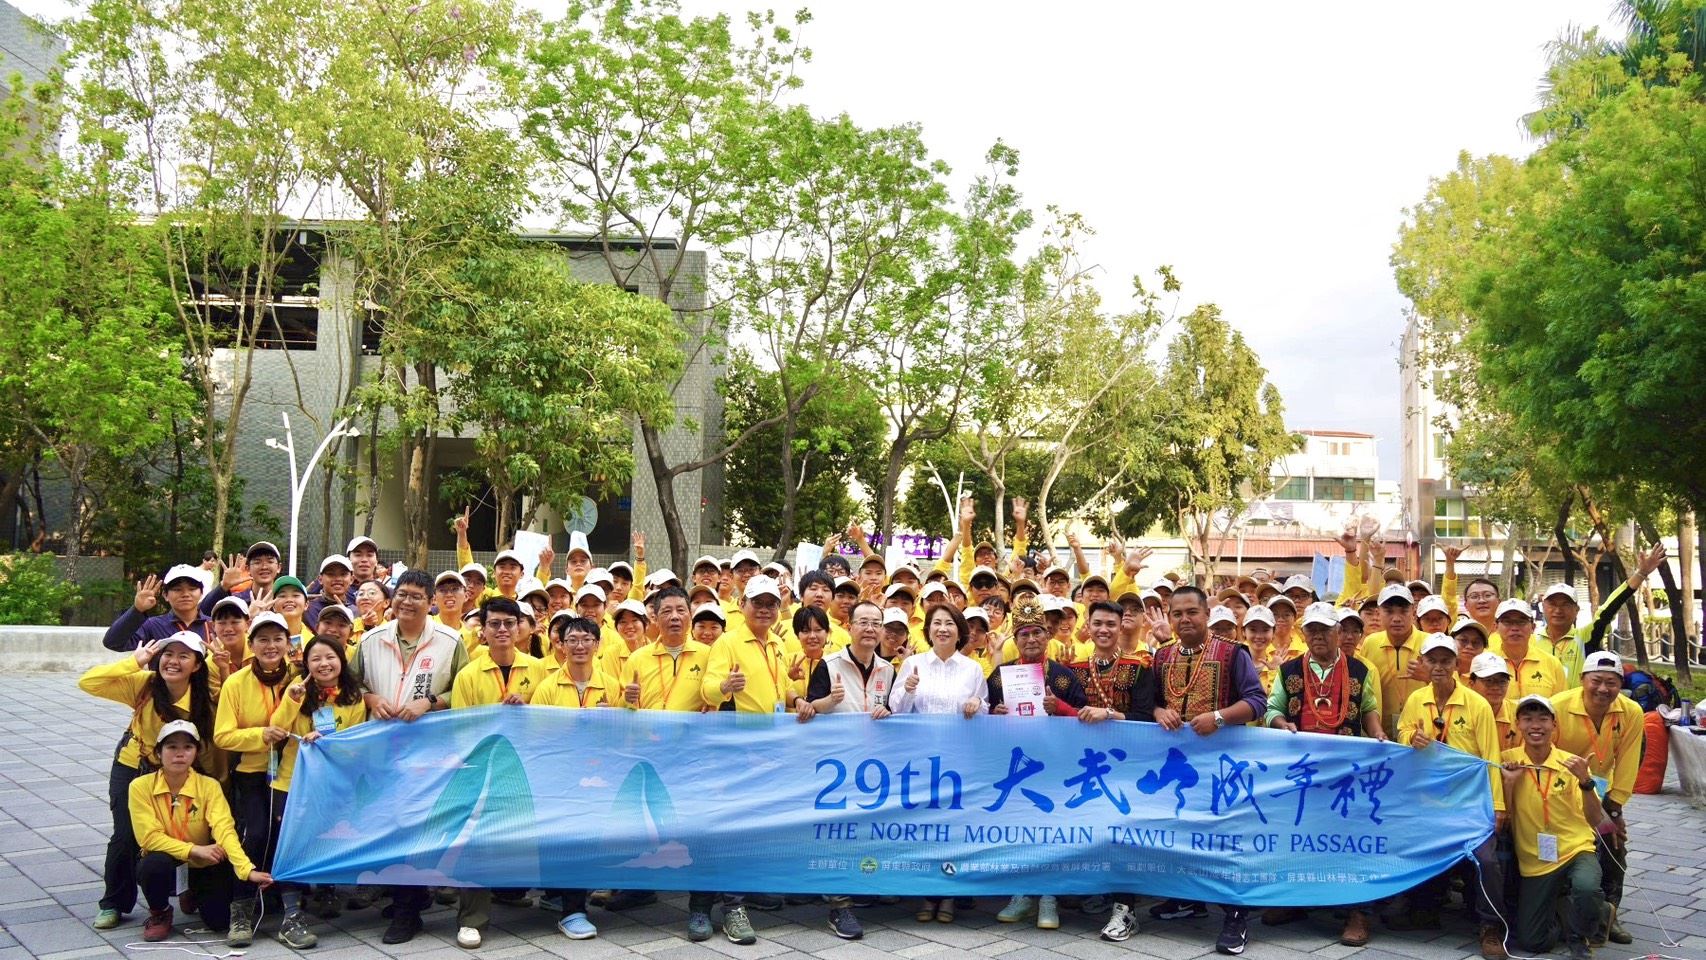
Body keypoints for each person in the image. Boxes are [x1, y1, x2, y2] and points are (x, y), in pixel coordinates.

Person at [347, 569, 469, 945]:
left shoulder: (450, 641)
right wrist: (371, 698)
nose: (407, 601)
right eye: (402, 594)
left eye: (417, 596)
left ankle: (407, 911)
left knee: (416, 826)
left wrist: (430, 702)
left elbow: (466, 690)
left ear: (430, 602)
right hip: (382, 751)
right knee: (389, 824)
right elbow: (350, 683)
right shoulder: (371, 640)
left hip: (429, 752)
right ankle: (409, 899)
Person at [1147, 585, 1267, 956]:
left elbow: (1257, 701)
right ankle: (1188, 899)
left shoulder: (1232, 653)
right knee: (1181, 830)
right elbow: (1151, 702)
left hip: (1222, 765)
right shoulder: (1162, 656)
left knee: (1223, 838)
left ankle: (1235, 915)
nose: (1184, 619)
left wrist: (1219, 717)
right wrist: (1158, 711)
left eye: (1192, 612)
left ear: (1206, 615)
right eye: (1177, 613)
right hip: (1178, 764)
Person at [1260, 603, 1384, 947]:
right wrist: (1281, 723)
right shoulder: (1289, 670)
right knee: (1299, 835)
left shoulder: (1359, 669)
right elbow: (1272, 708)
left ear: (1338, 632)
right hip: (1302, 769)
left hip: (1346, 770)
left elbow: (1369, 708)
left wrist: (1377, 733)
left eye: (1325, 630)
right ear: (1303, 634)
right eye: (1311, 629)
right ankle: (1295, 901)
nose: (1318, 636)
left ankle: (1357, 912)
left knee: (1349, 838)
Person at [81, 630, 216, 932]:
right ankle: (114, 902)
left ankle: (186, 887)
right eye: (168, 654)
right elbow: (88, 682)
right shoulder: (144, 684)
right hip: (135, 766)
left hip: (182, 772)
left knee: (189, 830)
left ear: (197, 665)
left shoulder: (204, 698)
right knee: (126, 834)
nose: (173, 661)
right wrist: (133, 662)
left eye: (183, 656)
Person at [1394, 634, 1508, 957]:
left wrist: (1497, 806)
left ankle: (1491, 927)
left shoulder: (1477, 704)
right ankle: (1423, 909)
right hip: (1428, 801)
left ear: (1458, 664)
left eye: (1446, 661)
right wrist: (1410, 738)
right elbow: (1401, 732)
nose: (1439, 667)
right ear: (1423, 663)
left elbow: (1491, 757)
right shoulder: (1417, 699)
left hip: (1468, 803)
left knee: (1487, 859)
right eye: (1432, 660)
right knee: (1412, 844)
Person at [698, 576, 793, 945]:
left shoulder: (777, 644)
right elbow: (708, 689)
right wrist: (725, 687)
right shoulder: (728, 642)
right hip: (737, 751)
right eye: (758, 603)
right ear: (742, 605)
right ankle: (732, 907)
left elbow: (780, 689)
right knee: (733, 827)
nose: (765, 609)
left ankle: (747, 888)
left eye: (771, 603)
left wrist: (798, 698)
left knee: (755, 826)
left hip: (770, 750)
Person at [446, 596, 543, 948]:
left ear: (520, 628)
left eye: (509, 623)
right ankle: (472, 919)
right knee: (477, 841)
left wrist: (528, 707)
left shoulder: (540, 669)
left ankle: (546, 900)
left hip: (529, 769)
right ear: (483, 631)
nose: (502, 629)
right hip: (483, 770)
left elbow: (552, 716)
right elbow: (460, 730)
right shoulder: (468, 675)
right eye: (494, 623)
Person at [987, 596, 1087, 931]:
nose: (1031, 639)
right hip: (1014, 767)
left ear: (1048, 635)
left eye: (1037, 633)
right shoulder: (1000, 676)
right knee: (1018, 829)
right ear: (1015, 640)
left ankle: (1048, 897)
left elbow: (1084, 718)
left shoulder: (1064, 677)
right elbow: (983, 717)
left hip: (1055, 765)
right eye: (1024, 634)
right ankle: (1020, 894)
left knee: (1050, 831)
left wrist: (1061, 708)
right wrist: (995, 713)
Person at [794, 599, 893, 941]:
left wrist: (890, 711)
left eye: (876, 623)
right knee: (837, 834)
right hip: (835, 768)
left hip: (874, 769)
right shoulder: (829, 664)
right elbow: (810, 709)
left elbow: (892, 710)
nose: (870, 629)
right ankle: (839, 905)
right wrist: (829, 701)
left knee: (865, 832)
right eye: (863, 622)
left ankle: (859, 888)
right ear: (849, 627)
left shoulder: (888, 670)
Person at [129, 721, 274, 942]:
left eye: (188, 747)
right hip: (169, 859)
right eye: (171, 747)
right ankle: (160, 912)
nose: (180, 754)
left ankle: (192, 892)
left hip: (204, 862)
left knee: (219, 922)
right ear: (158, 752)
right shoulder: (140, 786)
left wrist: (246, 870)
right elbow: (149, 838)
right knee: (152, 866)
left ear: (196, 753)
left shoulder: (209, 785)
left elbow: (225, 830)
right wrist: (194, 849)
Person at [889, 603, 988, 925]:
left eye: (949, 624)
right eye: (936, 623)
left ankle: (949, 894)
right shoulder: (913, 664)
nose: (943, 629)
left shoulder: (972, 669)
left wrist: (977, 704)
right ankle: (926, 893)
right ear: (928, 629)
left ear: (960, 632)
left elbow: (985, 709)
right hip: (921, 760)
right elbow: (896, 710)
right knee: (926, 828)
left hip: (958, 761)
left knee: (954, 828)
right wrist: (907, 690)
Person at [1068, 601, 1157, 943]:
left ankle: (1126, 909)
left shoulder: (1139, 669)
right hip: (1085, 767)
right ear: (1087, 626)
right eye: (1098, 623)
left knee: (1123, 833)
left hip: (1126, 766)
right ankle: (1097, 891)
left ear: (1121, 627)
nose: (1104, 630)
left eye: (1110, 624)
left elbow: (1145, 717)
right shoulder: (1073, 670)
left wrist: (1108, 714)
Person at [210, 612, 298, 948]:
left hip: (291, 771)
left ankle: (292, 911)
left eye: (277, 639)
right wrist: (260, 735)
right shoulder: (236, 683)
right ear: (251, 645)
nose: (270, 645)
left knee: (287, 834)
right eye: (263, 639)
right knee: (255, 833)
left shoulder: (298, 678)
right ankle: (241, 911)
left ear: (288, 643)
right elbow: (223, 736)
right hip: (251, 772)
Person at [270, 635, 368, 928]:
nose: (324, 664)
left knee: (327, 835)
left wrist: (327, 741)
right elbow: (277, 728)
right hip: (293, 780)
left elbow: (356, 742)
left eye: (330, 657)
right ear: (306, 664)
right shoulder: (296, 689)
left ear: (341, 660)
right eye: (316, 659)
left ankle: (326, 890)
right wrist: (292, 700)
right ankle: (291, 907)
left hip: (332, 781)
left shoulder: (353, 697)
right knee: (291, 839)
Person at [1500, 695, 1607, 960]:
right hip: (1535, 859)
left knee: (1587, 888)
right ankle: (1566, 911)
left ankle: (1581, 935)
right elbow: (1503, 819)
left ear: (1554, 725)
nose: (1535, 725)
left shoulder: (1572, 764)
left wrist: (1585, 782)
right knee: (1532, 942)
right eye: (1528, 719)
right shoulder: (1508, 760)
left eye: (1543, 719)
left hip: (1575, 848)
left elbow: (1595, 819)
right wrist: (1509, 783)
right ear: (1518, 725)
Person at [1550, 651, 1643, 945]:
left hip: (1601, 793)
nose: (1603, 689)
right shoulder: (1558, 706)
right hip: (1560, 791)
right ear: (1582, 679)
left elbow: (1628, 760)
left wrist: (1615, 808)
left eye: (1611, 683)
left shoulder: (1631, 712)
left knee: (1614, 844)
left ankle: (1609, 915)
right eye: (1596, 681)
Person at [1363, 583, 1425, 736]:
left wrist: (1429, 677)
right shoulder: (1370, 643)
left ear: (1414, 612)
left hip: (1421, 734)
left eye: (1403, 611)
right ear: (1379, 613)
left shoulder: (1429, 643)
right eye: (1389, 611)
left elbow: (1453, 688)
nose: (1396, 619)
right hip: (1380, 735)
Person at [105, 564, 209, 651]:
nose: (185, 594)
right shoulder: (153, 625)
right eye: (177, 589)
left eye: (192, 589)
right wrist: (137, 610)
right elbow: (112, 643)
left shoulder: (213, 625)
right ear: (165, 595)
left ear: (201, 593)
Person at [1494, 599, 1567, 699]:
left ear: (1533, 627)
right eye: (1507, 622)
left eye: (1521, 622)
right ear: (1496, 627)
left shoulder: (1552, 664)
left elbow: (1562, 704)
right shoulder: (1486, 662)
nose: (1515, 628)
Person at [306, 555, 354, 630]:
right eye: (331, 574)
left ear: (351, 579)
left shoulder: (357, 611)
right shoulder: (308, 610)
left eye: (343, 574)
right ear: (320, 579)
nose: (338, 579)